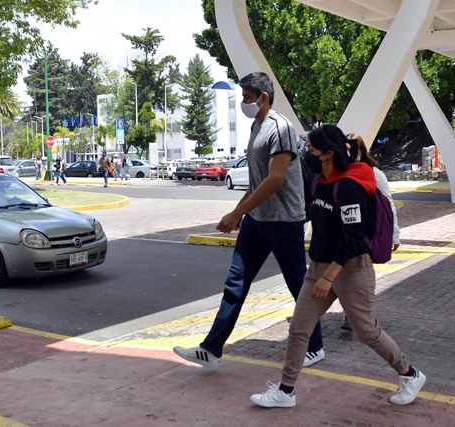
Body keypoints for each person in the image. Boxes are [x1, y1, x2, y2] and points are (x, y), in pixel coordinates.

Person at [249, 125, 426, 408]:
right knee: (298, 329)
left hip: (350, 268)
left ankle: (410, 373)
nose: (305, 153)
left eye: (310, 148)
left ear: (328, 152)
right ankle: (285, 391)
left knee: (366, 331)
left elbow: (353, 238)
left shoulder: (348, 187)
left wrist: (328, 278)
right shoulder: (320, 181)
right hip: (319, 267)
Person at [173, 71, 325, 370]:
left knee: (298, 285)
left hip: (284, 221)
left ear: (263, 97)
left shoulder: (280, 127)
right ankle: (211, 349)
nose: (243, 103)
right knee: (235, 283)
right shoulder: (257, 126)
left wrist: (238, 213)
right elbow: (257, 183)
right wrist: (238, 211)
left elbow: (276, 179)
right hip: (258, 220)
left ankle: (315, 346)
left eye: (247, 97)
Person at [340, 133, 401, 331]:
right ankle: (352, 314)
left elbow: (388, 203)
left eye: (351, 149)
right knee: (347, 274)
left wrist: (395, 234)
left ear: (360, 150)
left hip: (367, 232)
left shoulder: (373, 172)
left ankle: (357, 316)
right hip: (346, 232)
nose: (347, 153)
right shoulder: (341, 170)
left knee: (359, 273)